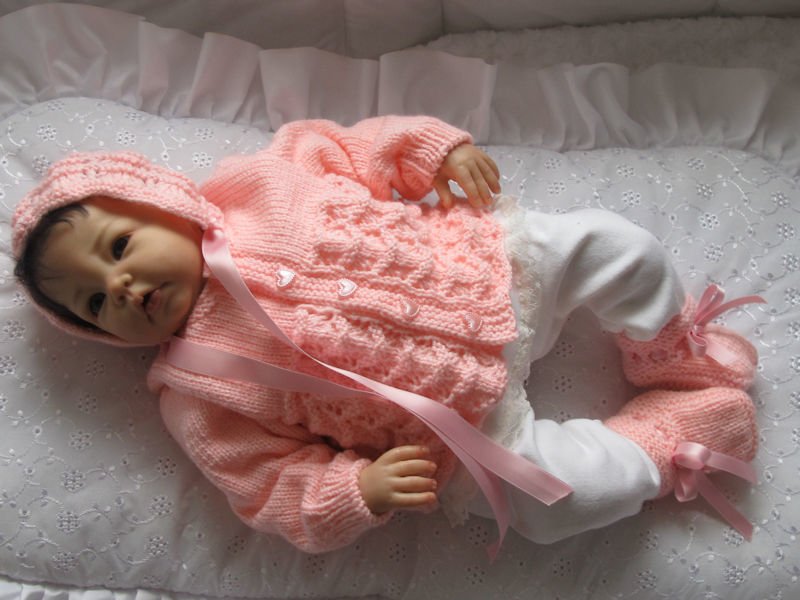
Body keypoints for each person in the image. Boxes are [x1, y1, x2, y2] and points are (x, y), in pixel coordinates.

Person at [12, 115, 760, 553]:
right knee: (559, 501)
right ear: (97, 334)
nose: (121, 287)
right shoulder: (195, 394)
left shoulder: (259, 184)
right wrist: (354, 491)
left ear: (162, 203)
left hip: (487, 269)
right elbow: (266, 487)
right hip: (457, 430)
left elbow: (355, 147)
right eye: (94, 303)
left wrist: (432, 150)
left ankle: (672, 351)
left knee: (617, 245)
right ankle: (671, 437)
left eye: (119, 248)